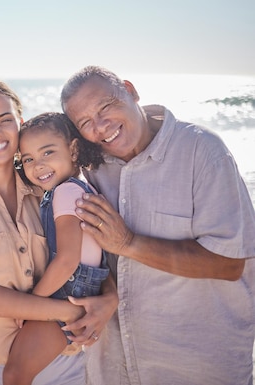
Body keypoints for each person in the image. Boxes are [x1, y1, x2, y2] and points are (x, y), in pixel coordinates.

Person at [60, 65, 255, 384]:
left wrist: (129, 244)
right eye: (85, 123)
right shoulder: (92, 165)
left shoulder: (202, 151)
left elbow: (231, 264)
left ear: (130, 89)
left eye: (106, 106)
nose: (101, 126)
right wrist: (110, 293)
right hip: (115, 367)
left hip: (197, 366)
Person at [0, 79, 119, 385]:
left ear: (19, 126)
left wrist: (109, 298)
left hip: (63, 362)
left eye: (5, 120)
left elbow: (88, 253)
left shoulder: (47, 186)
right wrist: (67, 313)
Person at [3, 112, 110, 385]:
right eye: (28, 159)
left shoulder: (65, 192)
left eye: (47, 152)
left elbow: (67, 260)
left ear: (73, 150)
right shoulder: (83, 186)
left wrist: (31, 306)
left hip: (66, 294)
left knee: (15, 374)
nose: (38, 166)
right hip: (78, 291)